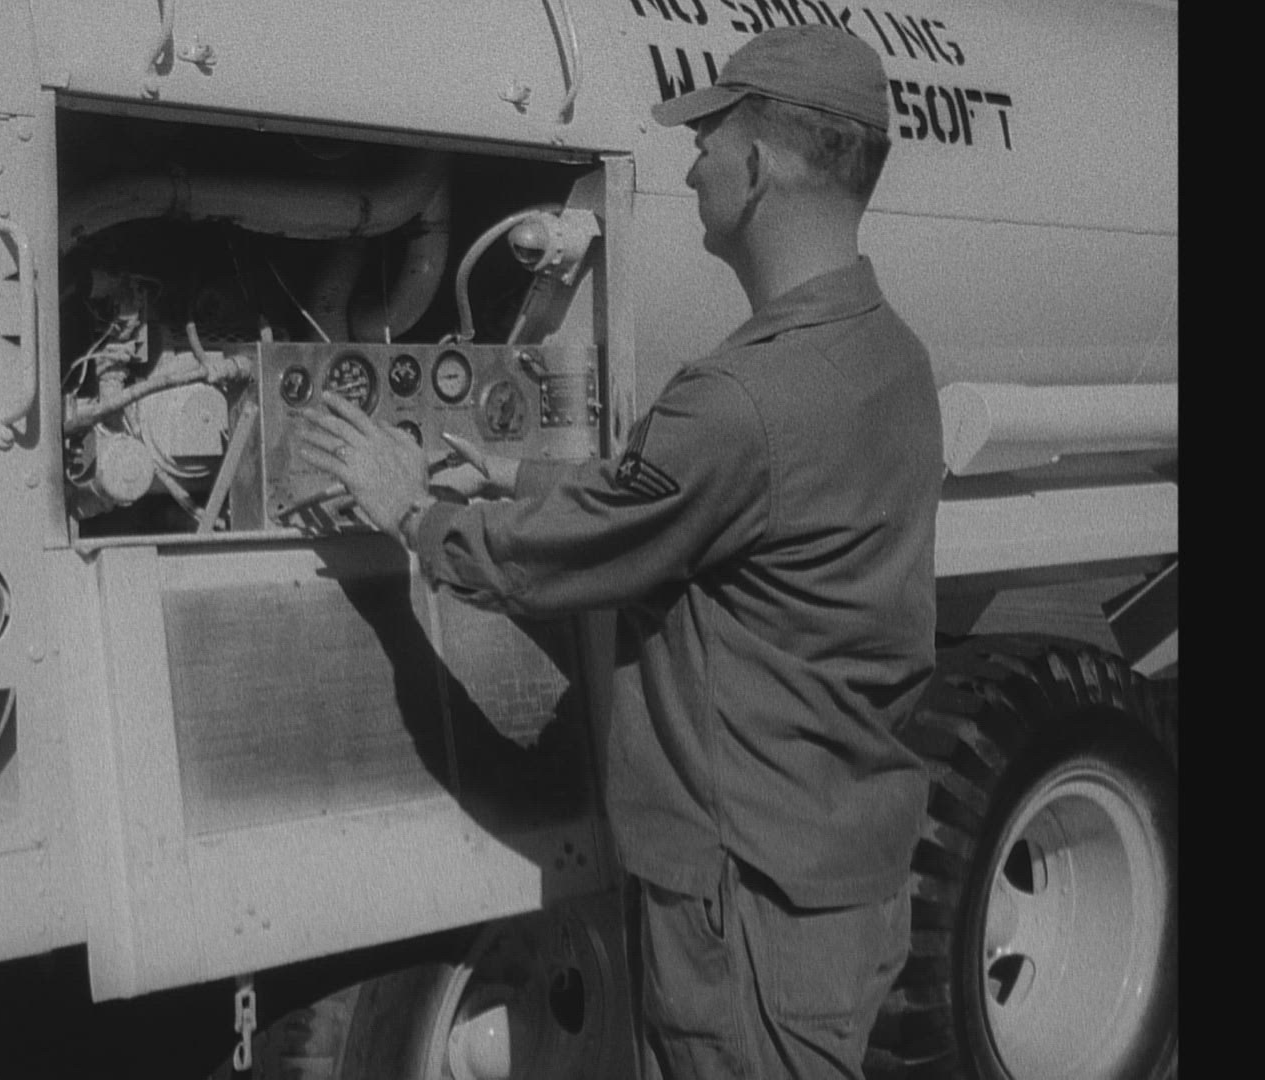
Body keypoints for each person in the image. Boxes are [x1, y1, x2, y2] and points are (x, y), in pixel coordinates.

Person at [297, 25, 942, 1080]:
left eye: (706, 142)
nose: (689, 169)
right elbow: (707, 512)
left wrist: (409, 506)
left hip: (746, 909)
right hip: (840, 880)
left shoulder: (739, 399)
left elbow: (551, 564)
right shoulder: (892, 359)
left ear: (755, 165)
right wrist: (515, 474)